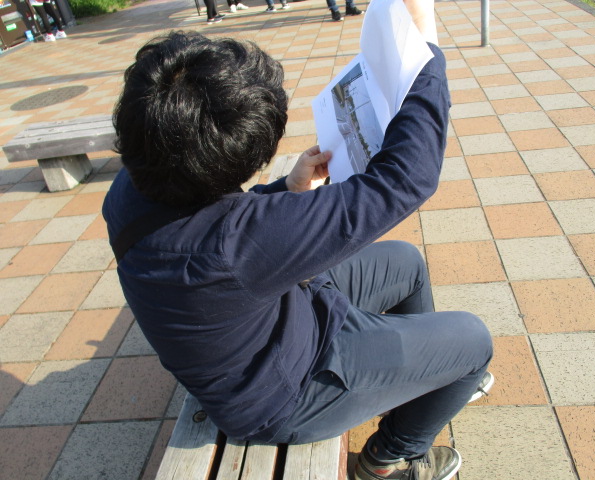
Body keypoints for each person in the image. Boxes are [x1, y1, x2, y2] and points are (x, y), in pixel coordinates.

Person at [103, 1, 493, 478]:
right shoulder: (239, 244)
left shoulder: (130, 184)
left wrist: (283, 190)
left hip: (271, 316)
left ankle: (418, 383)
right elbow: (405, 180)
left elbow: (209, 227)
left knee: (406, 264)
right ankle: (389, 456)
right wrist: (425, 53)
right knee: (474, 342)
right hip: (284, 391)